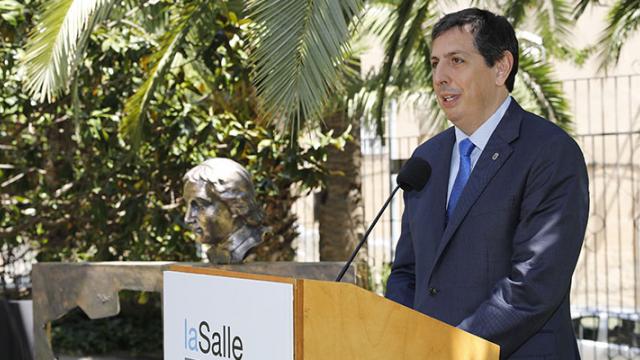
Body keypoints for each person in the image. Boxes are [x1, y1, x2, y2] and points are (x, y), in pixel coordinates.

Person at [385, 8, 589, 359]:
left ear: (500, 67)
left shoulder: (550, 153)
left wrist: (448, 349)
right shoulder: (427, 159)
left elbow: (532, 287)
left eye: (456, 60)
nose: (440, 76)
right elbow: (407, 272)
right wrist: (406, 340)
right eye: (434, 63)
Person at [183, 158, 264, 264]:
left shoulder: (259, 244)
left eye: (200, 205)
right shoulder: (218, 252)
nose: (187, 218)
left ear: (237, 206)